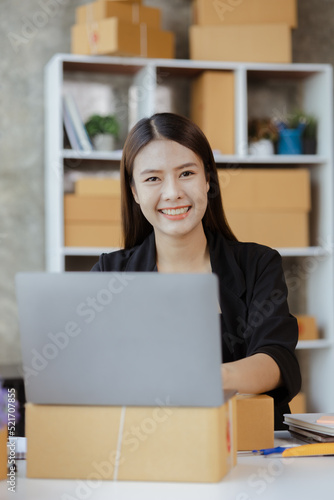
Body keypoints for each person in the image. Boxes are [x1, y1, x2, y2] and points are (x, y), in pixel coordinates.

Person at [91, 112, 301, 429]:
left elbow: (277, 359)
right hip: (145, 445)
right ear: (134, 192)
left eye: (186, 173)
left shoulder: (257, 264)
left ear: (207, 179)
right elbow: (93, 372)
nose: (173, 192)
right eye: (153, 179)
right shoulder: (109, 274)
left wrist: (209, 378)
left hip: (246, 447)